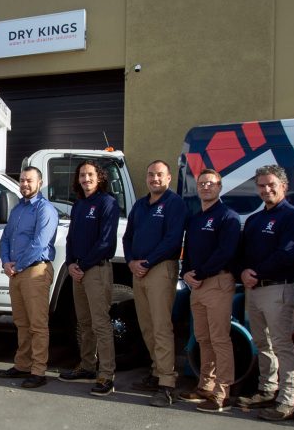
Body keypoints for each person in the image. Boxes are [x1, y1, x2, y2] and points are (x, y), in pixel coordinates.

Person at [236, 165, 294, 421]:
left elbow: (287, 254)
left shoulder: (293, 217)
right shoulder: (255, 219)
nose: (266, 189)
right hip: (255, 290)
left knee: (281, 345)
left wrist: (255, 272)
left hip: (278, 288)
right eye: (261, 185)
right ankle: (267, 390)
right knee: (262, 343)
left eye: (271, 185)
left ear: (283, 186)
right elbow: (242, 252)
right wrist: (243, 271)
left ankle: (287, 401)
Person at [123, 160, 186, 407]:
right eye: (151, 175)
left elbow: (172, 240)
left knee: (161, 327)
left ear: (168, 178)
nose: (154, 179)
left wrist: (147, 262)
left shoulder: (174, 204)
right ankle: (157, 371)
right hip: (138, 270)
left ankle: (167, 384)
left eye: (159, 175)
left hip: (160, 269)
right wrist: (130, 262)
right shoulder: (140, 205)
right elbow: (128, 237)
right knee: (147, 326)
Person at [56, 161, 121, 395]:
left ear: (100, 177)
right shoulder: (80, 205)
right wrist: (72, 263)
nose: (86, 179)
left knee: (100, 323)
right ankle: (87, 367)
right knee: (84, 323)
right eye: (82, 175)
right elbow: (71, 238)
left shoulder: (107, 203)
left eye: (90, 174)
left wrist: (82, 265)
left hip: (96, 270)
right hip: (78, 270)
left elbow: (105, 242)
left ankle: (106, 375)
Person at [179, 168, 241, 413]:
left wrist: (201, 274)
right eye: (202, 184)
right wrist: (186, 272)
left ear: (220, 187)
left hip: (217, 283)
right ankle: (206, 386)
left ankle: (222, 392)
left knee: (219, 339)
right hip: (197, 286)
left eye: (210, 183)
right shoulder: (195, 218)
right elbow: (189, 251)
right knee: (203, 338)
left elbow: (225, 252)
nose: (205, 187)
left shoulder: (228, 217)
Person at [0, 166, 59, 389]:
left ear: (39, 183)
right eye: (22, 180)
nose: (24, 184)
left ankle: (38, 370)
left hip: (35, 271)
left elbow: (39, 243)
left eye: (29, 180)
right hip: (17, 272)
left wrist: (17, 265)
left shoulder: (45, 210)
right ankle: (22, 364)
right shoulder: (17, 210)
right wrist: (5, 262)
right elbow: (5, 238)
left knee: (38, 324)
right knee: (21, 323)